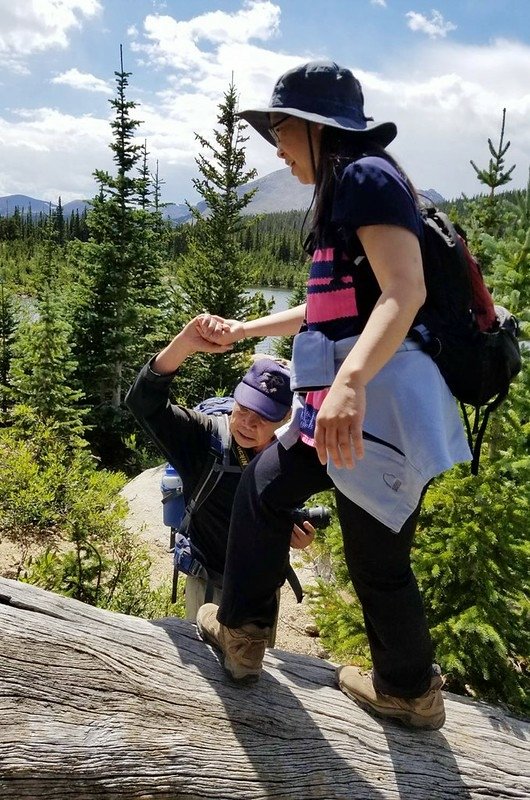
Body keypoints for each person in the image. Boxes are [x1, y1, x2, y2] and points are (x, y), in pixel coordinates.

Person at [194, 60, 471, 730]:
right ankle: (407, 691)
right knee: (368, 547)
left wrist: (348, 384)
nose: (276, 146)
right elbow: (330, 310)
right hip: (366, 405)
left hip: (371, 401)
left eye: (280, 129)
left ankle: (242, 636)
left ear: (316, 127)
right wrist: (245, 330)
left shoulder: (367, 177)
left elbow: (407, 291)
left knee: (266, 488)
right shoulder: (347, 186)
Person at [125, 315, 315, 625]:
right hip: (210, 586)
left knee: (254, 670)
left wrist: (300, 538)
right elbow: (143, 402)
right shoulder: (203, 439)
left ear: (285, 420)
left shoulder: (290, 455)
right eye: (245, 408)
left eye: (264, 417)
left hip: (265, 589)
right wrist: (185, 344)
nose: (248, 423)